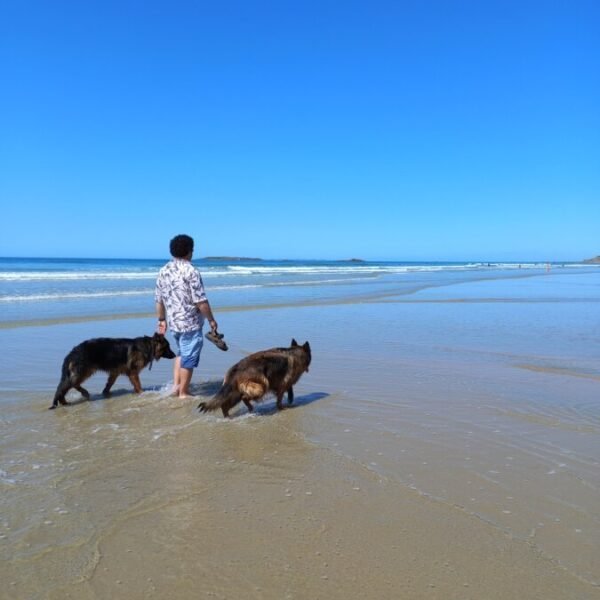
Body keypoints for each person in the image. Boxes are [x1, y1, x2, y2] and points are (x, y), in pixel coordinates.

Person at [155, 234, 218, 398]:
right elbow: (201, 301)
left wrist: (162, 319)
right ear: (190, 251)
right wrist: (211, 320)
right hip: (190, 323)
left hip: (174, 323)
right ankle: (183, 392)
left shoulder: (164, 270)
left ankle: (176, 386)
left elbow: (158, 299)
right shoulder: (191, 271)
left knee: (181, 353)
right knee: (188, 357)